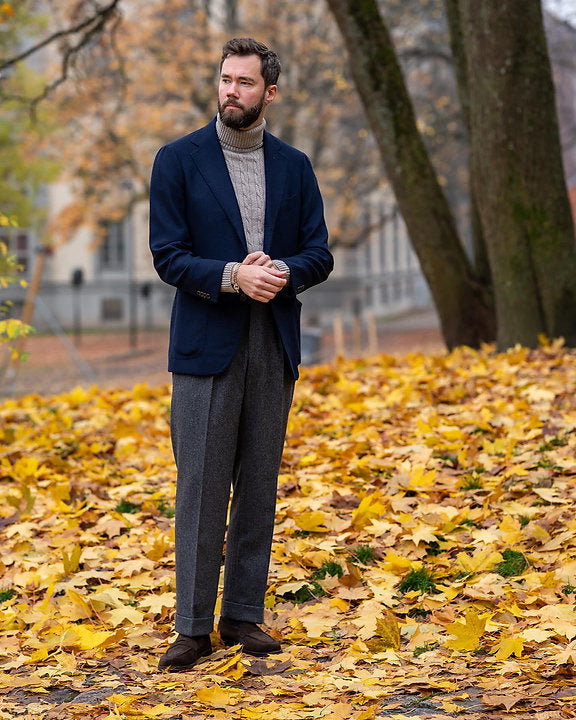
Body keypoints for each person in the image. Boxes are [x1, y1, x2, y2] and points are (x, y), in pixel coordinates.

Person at [149, 37, 333, 672]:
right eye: (226, 79)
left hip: (273, 340)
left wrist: (281, 270)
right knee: (200, 486)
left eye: (245, 82)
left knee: (257, 484)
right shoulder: (177, 160)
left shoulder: (295, 166)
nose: (231, 90)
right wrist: (233, 275)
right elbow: (167, 254)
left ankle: (243, 617)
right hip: (207, 343)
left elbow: (320, 252)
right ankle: (193, 628)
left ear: (269, 93)